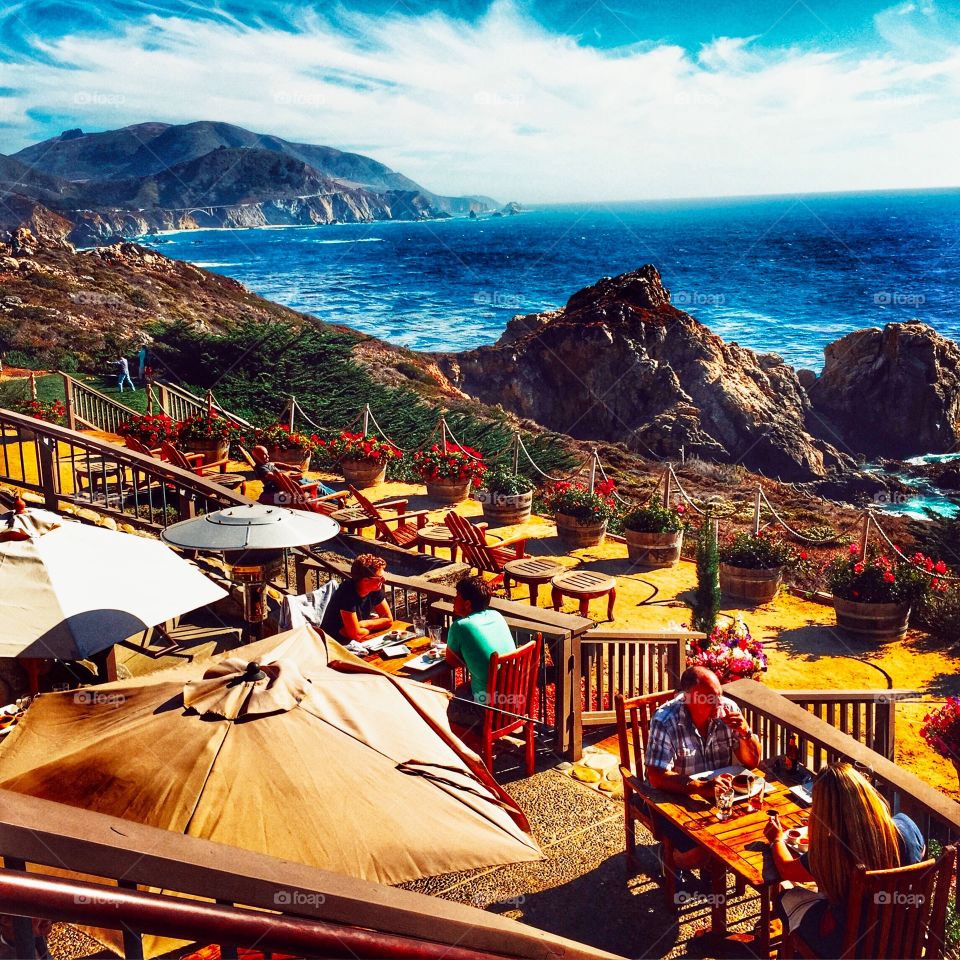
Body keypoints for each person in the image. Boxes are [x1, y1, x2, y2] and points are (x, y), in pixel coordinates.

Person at [764, 761, 926, 957]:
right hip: (901, 940)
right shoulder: (907, 827)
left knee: (786, 898)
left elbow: (787, 870)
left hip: (852, 948)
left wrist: (776, 840)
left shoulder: (834, 852)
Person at [644, 665, 761, 874]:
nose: (718, 703)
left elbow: (753, 762)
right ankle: (669, 857)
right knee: (702, 852)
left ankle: (713, 873)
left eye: (719, 695)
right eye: (709, 698)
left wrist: (745, 732)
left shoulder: (729, 709)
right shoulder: (666, 720)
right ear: (688, 698)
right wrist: (699, 787)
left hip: (718, 798)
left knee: (758, 829)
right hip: (674, 800)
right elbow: (656, 777)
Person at [444, 576, 516, 730]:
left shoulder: (460, 626)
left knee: (437, 705)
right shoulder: (496, 615)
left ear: (467, 604)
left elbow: (452, 661)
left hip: (487, 711)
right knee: (461, 689)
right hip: (514, 704)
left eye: (457, 596)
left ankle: (451, 750)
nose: (454, 599)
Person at [320, 553, 393, 643]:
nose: (384, 580)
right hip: (334, 644)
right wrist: (373, 626)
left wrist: (364, 624)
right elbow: (355, 635)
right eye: (380, 577)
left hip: (358, 641)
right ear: (365, 580)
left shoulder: (376, 589)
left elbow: (389, 620)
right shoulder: (346, 592)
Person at [250, 445, 341, 506]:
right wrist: (290, 473)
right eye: (264, 455)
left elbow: (276, 464)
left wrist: (291, 467)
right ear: (256, 457)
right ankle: (337, 501)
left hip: (292, 481)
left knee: (319, 483)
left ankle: (337, 496)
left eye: (267, 454)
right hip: (289, 486)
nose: (267, 456)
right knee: (319, 488)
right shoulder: (261, 469)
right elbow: (274, 476)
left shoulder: (267, 463)